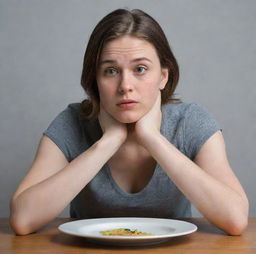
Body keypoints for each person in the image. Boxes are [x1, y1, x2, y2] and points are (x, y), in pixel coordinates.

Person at [10, 8, 248, 236]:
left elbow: (235, 219)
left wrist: (152, 138)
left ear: (163, 76)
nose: (125, 86)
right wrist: (108, 142)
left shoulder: (191, 122)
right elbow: (22, 219)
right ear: (95, 79)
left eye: (140, 69)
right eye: (111, 71)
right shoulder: (72, 122)